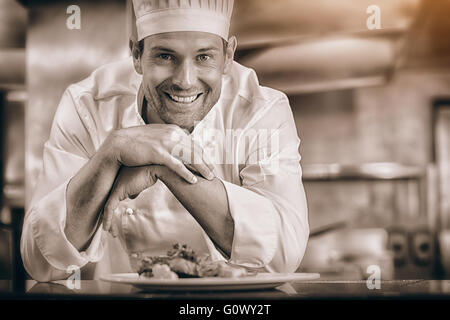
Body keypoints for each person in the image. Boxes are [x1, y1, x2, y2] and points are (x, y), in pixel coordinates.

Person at [21, 0, 309, 282]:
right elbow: (42, 264)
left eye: (204, 57)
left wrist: (167, 167)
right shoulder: (89, 105)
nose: (185, 80)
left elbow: (282, 256)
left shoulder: (262, 110)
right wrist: (110, 154)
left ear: (228, 56)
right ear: (136, 54)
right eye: (165, 56)